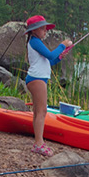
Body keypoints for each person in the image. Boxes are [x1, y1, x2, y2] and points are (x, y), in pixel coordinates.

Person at [24, 15, 71, 156]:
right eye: (43, 28)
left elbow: (49, 61)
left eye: (46, 28)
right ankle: (39, 143)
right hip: (36, 79)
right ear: (34, 30)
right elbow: (50, 55)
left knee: (39, 111)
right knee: (42, 111)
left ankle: (38, 142)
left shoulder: (36, 42)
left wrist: (60, 56)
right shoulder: (35, 41)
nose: (46, 31)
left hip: (38, 78)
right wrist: (62, 45)